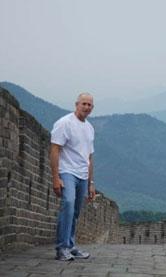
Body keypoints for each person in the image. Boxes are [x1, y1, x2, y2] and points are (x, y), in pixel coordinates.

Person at [50, 93, 96, 261]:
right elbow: (54, 149)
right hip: (67, 171)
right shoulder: (65, 123)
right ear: (76, 104)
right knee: (68, 204)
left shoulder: (90, 128)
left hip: (83, 175)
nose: (86, 107)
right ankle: (61, 248)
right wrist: (56, 177)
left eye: (90, 105)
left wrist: (91, 183)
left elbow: (89, 157)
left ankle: (71, 245)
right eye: (84, 103)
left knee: (75, 211)